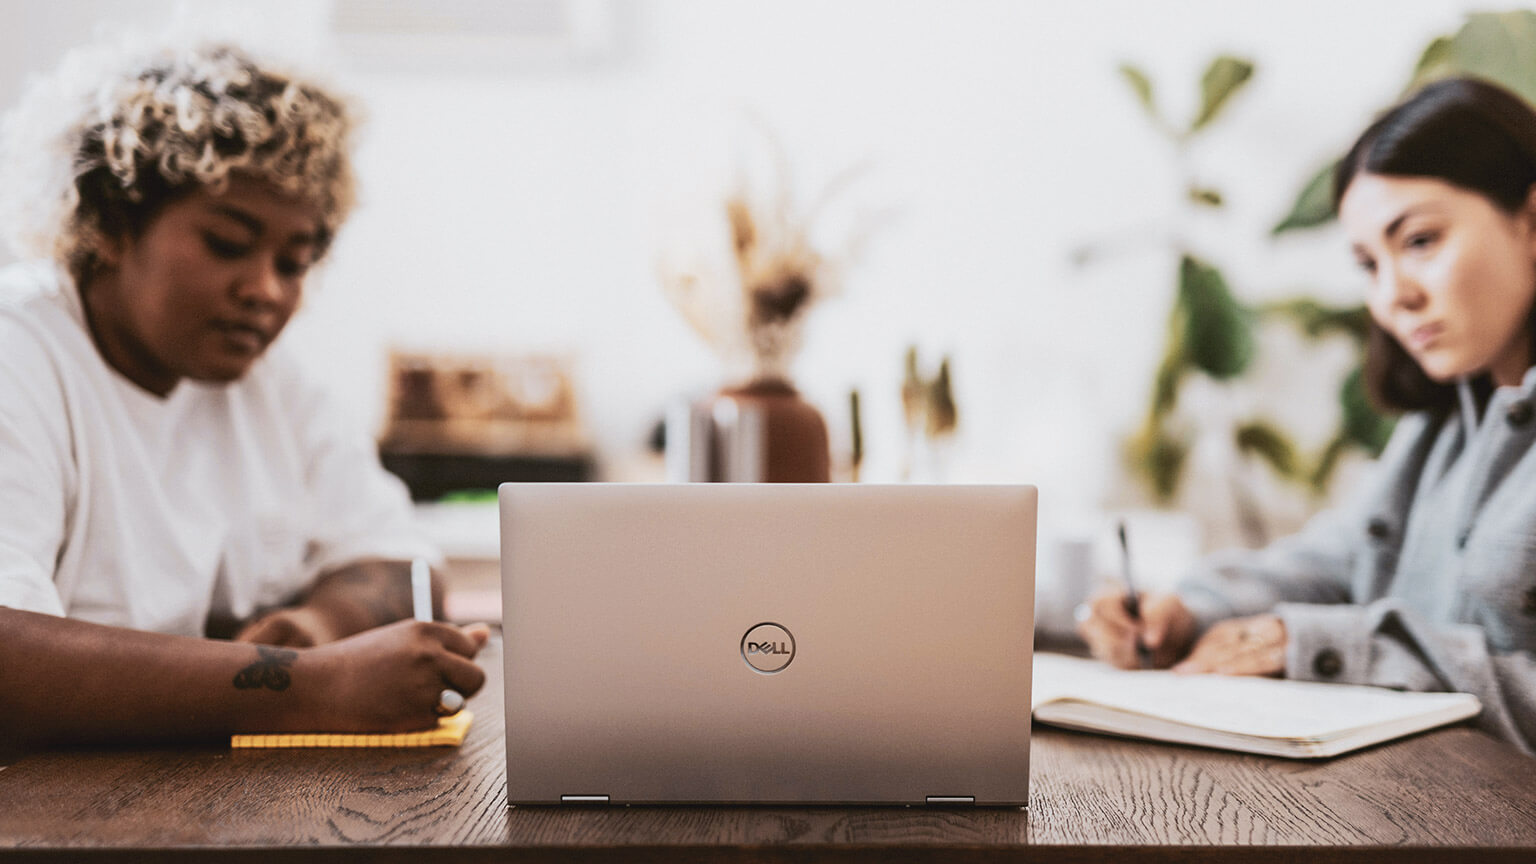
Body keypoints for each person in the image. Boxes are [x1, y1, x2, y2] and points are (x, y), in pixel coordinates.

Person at [0, 41, 487, 750]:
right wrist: (308, 683)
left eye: (296, 262)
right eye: (228, 243)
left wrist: (318, 627)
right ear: (109, 223)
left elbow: (398, 561)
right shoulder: (20, 352)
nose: (267, 291)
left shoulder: (269, 383)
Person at [1078, 76, 1536, 755]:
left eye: (1419, 241)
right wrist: (1191, 607)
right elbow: (1340, 560)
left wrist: (1338, 647)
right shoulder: (1444, 421)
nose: (1393, 296)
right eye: (1367, 265)